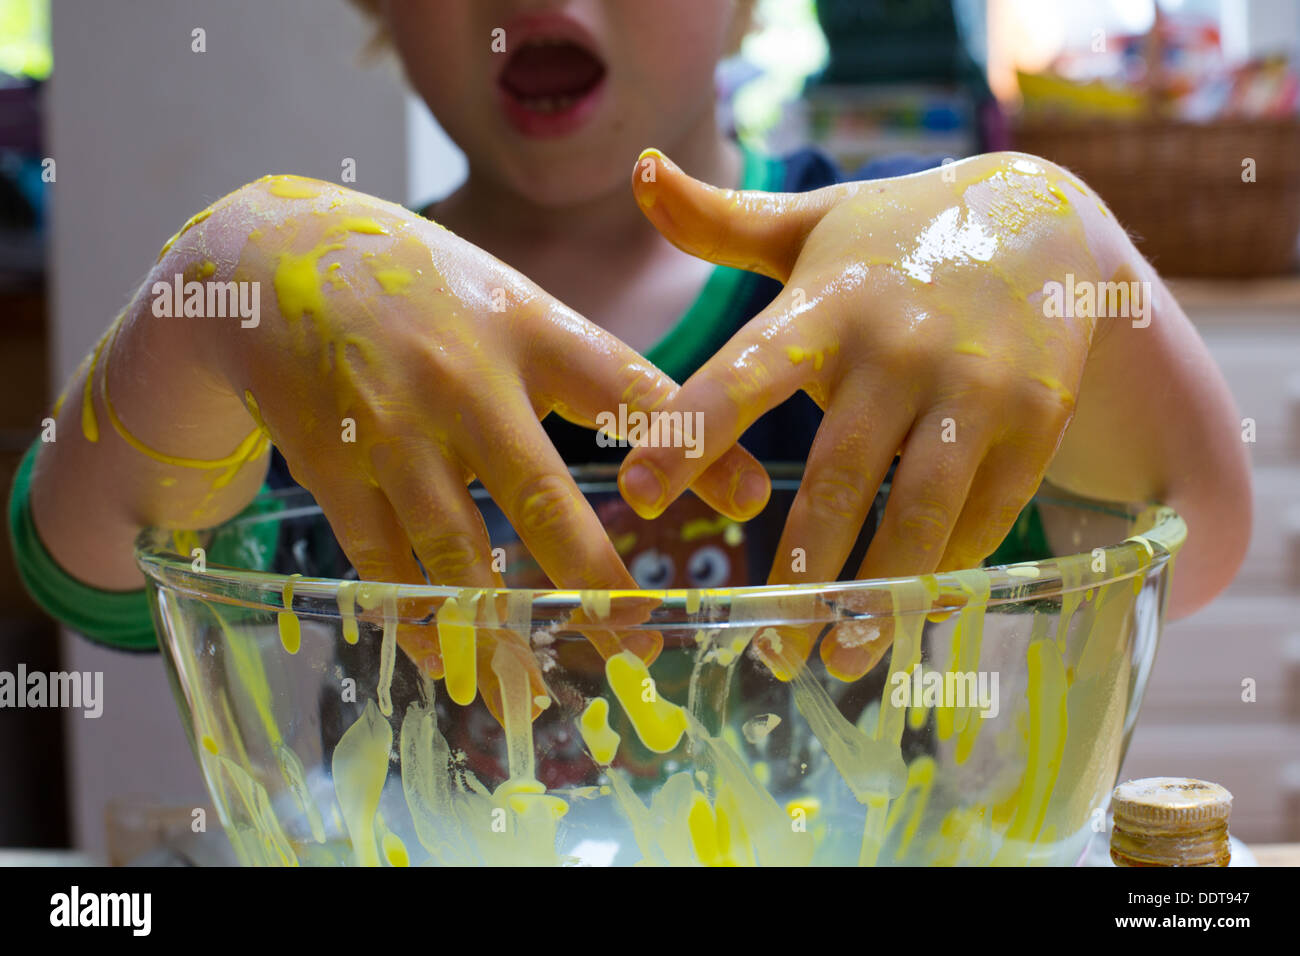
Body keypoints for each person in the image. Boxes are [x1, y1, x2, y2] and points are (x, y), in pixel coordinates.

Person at [9, 0, 1250, 691]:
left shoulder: (899, 311)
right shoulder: (328, 340)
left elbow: (1183, 539)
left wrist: (1071, 245)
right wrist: (211, 284)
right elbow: (89, 568)